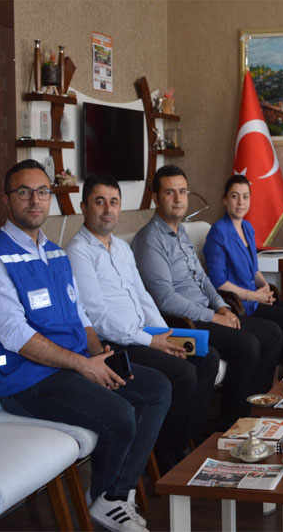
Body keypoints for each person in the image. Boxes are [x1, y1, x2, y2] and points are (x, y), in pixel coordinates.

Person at [0, 160, 170, 532]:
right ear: (6, 200)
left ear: (50, 199)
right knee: (120, 414)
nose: (35, 200)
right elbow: (16, 336)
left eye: (42, 192)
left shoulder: (57, 255)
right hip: (29, 382)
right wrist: (82, 365)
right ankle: (105, 500)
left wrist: (97, 352)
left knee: (157, 388)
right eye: (24, 192)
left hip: (74, 366)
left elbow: (81, 317)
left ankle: (115, 494)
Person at [66, 173, 220, 473]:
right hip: (116, 345)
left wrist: (165, 333)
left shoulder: (121, 249)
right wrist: (153, 341)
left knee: (207, 357)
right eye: (100, 202)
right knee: (183, 374)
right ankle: (166, 454)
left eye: (114, 202)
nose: (108, 209)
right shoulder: (77, 252)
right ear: (84, 207)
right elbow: (97, 316)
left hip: (147, 334)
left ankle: (187, 440)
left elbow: (143, 297)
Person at [132, 164, 282, 430]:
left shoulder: (182, 233)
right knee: (247, 345)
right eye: (170, 193)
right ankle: (230, 425)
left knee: (272, 332)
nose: (178, 199)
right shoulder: (149, 240)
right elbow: (165, 298)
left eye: (182, 192)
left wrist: (222, 307)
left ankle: (250, 412)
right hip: (183, 321)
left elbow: (202, 278)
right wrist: (212, 316)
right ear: (155, 197)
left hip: (208, 313)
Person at [203, 174, 283, 374]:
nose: (241, 202)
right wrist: (255, 295)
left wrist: (264, 286)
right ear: (225, 199)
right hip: (239, 304)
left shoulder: (248, 228)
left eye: (245, 196)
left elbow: (254, 268)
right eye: (235, 196)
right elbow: (218, 282)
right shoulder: (218, 232)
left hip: (255, 297)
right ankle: (279, 378)